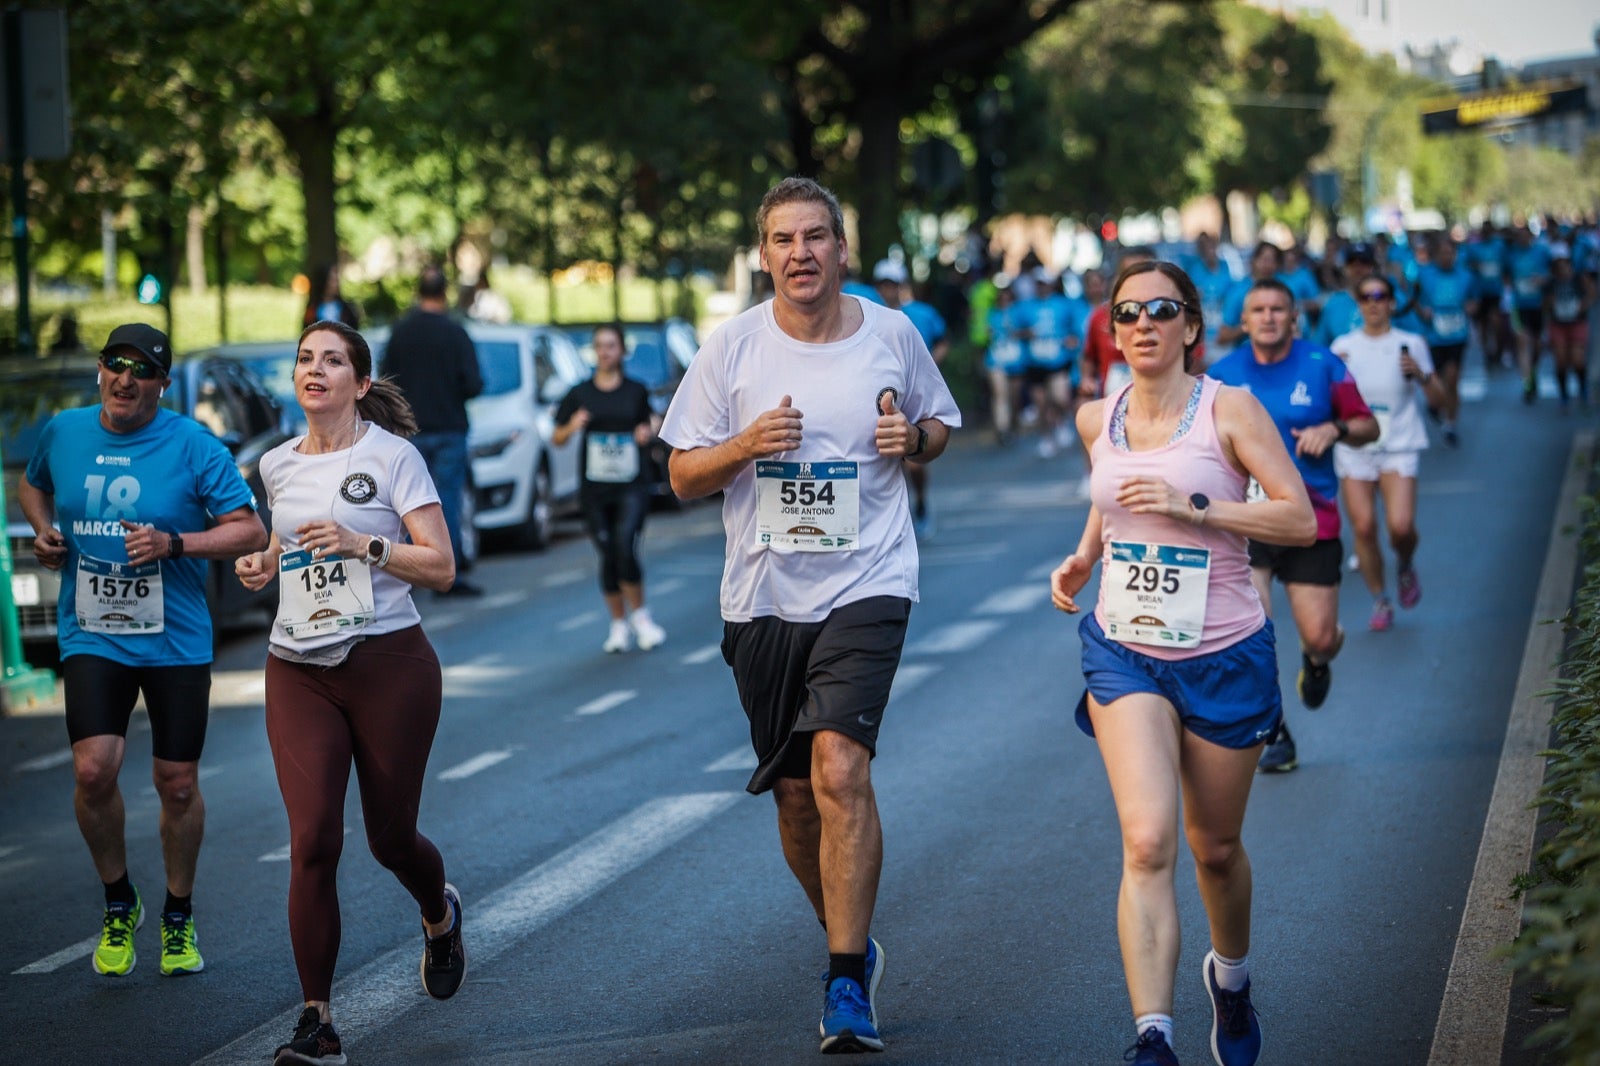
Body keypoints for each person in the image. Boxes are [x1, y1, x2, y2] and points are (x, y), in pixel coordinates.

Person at [660, 176, 960, 1055]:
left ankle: (842, 979)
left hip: (869, 579)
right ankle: (852, 938)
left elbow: (941, 423)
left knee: (838, 773)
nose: (801, 253)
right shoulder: (734, 349)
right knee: (794, 797)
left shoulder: (891, 335)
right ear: (764, 255)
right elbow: (681, 475)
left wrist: (916, 440)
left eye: (816, 236)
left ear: (841, 249)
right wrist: (747, 445)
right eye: (784, 240)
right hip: (762, 598)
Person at [1050, 260, 1315, 1066]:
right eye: (1127, 312)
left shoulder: (1229, 410)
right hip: (1125, 649)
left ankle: (1230, 982)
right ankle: (1153, 1036)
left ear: (1191, 326)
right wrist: (1083, 556)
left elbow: (1297, 516)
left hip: (1226, 650)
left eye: (1161, 310)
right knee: (1147, 841)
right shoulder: (1099, 417)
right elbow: (1111, 498)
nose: (1143, 324)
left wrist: (1197, 506)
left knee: (1215, 849)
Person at [235, 319, 466, 1066]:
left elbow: (441, 566)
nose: (315, 369)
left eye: (333, 360)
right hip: (297, 666)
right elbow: (283, 545)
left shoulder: (393, 458)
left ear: (360, 383)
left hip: (388, 664)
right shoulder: (276, 465)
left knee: (390, 837)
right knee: (313, 842)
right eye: (304, 357)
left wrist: (364, 543)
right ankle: (318, 1022)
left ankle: (438, 912)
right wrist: (263, 565)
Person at [17, 322, 268, 978]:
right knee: (94, 770)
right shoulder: (65, 432)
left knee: (176, 784)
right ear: (100, 370)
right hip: (93, 629)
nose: (125, 379)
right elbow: (33, 485)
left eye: (142, 369)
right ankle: (117, 899)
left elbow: (249, 530)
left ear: (161, 382)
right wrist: (45, 532)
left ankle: (179, 915)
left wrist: (174, 543)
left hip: (174, 636)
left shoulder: (193, 445)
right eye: (114, 364)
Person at [1209, 279, 1379, 774]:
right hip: (1244, 522)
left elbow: (1369, 426)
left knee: (1322, 636)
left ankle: (1318, 661)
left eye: (1277, 309)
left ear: (1293, 317)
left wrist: (1336, 428)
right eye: (1257, 310)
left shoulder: (1323, 365)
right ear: (1243, 321)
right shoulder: (1220, 377)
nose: (1267, 317)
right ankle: (1274, 731)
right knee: (1252, 634)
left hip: (1310, 520)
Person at [1330, 274, 1446, 633]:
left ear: (1392, 303)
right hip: (1356, 447)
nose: (1373, 302)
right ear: (1358, 304)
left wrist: (1422, 376)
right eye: (1366, 296)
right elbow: (1327, 402)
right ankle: (1380, 599)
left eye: (1380, 295)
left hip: (1399, 442)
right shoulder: (1342, 347)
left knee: (1400, 526)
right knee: (1363, 527)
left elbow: (1441, 401)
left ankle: (1406, 563)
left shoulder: (1410, 343)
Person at [552, 323, 667, 653]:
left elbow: (654, 422)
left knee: (624, 543)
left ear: (622, 351)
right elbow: (556, 438)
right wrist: (573, 425)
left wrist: (647, 432)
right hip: (595, 488)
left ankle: (642, 618)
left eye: (611, 345)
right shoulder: (580, 393)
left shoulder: (635, 391)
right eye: (600, 346)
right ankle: (618, 624)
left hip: (631, 484)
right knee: (607, 551)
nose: (605, 352)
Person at [380, 266, 484, 594]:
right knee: (446, 500)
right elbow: (474, 383)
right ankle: (446, 571)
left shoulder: (401, 333)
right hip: (450, 426)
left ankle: (412, 571)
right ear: (444, 292)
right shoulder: (455, 333)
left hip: (409, 430)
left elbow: (384, 381)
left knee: (408, 503)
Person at [873, 258, 951, 532]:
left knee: (913, 461)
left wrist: (927, 366)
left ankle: (920, 503)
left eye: (892, 284)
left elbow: (943, 343)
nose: (888, 290)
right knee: (883, 461)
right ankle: (894, 519)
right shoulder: (864, 318)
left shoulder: (918, 315)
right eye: (883, 284)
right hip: (880, 397)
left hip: (913, 396)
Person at [1414, 236, 1476, 445]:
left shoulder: (1466, 276)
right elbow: (1414, 300)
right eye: (1442, 253)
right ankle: (1436, 405)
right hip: (1434, 336)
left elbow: (1474, 300)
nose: (1446, 257)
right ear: (1435, 256)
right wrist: (1423, 312)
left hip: (1457, 334)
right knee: (1437, 378)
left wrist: (1471, 308)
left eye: (1450, 253)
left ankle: (1450, 424)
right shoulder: (1424, 275)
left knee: (1453, 378)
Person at [1506, 225, 1553, 403]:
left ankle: (1533, 372)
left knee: (1538, 345)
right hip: (1520, 306)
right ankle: (1527, 383)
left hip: (1538, 305)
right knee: (1523, 343)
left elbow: (1552, 273)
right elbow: (1506, 276)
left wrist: (1542, 280)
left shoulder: (1542, 251)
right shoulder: (1511, 254)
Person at [1545, 252, 1594, 408]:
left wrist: (1583, 305)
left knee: (1577, 358)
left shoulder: (1579, 279)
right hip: (1558, 324)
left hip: (1577, 322)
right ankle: (1563, 393)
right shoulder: (1551, 283)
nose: (1564, 272)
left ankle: (1583, 388)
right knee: (1561, 360)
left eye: (1566, 268)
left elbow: (1592, 294)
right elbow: (1545, 304)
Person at [1216, 242, 1282, 350]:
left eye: (1273, 261)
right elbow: (1222, 337)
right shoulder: (1238, 292)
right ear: (1253, 261)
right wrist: (1249, 326)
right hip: (1246, 359)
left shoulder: (1283, 292)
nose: (1267, 265)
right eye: (1264, 259)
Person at [301, 264, 361, 330]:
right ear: (324, 281)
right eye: (333, 280)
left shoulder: (346, 308)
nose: (336, 284)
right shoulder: (312, 309)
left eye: (337, 280)